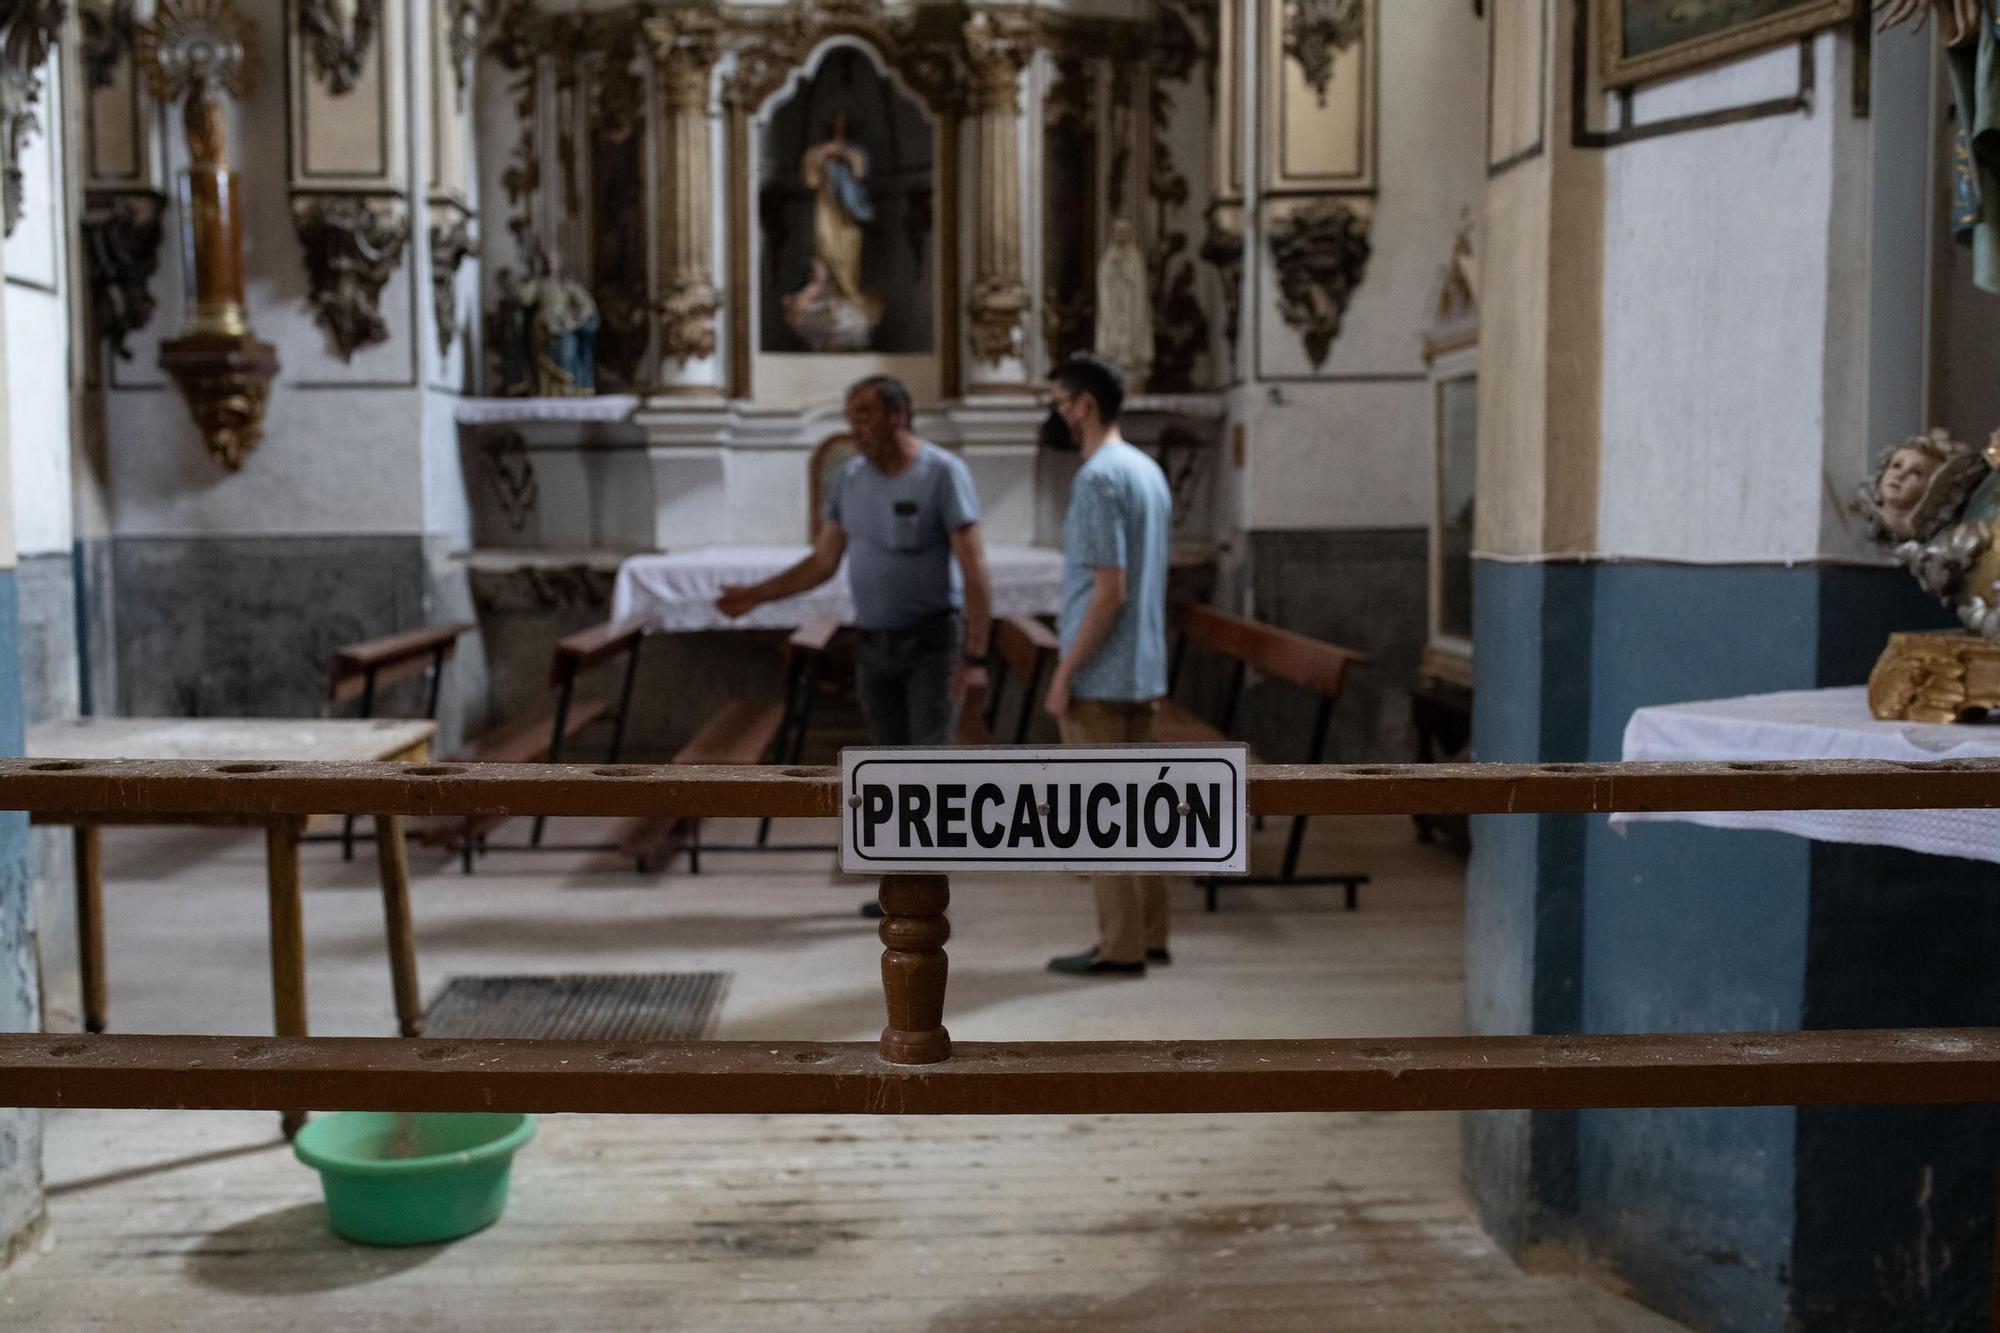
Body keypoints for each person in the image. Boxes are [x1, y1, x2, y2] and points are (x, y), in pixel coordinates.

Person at [716, 375, 992, 748]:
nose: (855, 429)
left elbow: (974, 567)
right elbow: (822, 562)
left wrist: (976, 657)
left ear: (897, 416)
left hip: (932, 643)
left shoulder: (942, 473)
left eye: (865, 415)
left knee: (929, 760)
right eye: (850, 418)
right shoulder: (848, 479)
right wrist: (756, 594)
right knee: (887, 758)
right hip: (874, 643)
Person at [1039, 352, 1175, 978]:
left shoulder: (1098, 477)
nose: (1059, 412)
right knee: (1144, 813)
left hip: (1101, 673)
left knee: (1103, 818)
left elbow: (1108, 589)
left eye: (1061, 401)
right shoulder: (1147, 470)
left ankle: (1119, 947)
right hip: (1144, 668)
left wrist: (1065, 672)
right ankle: (1150, 935)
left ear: (1084, 405)